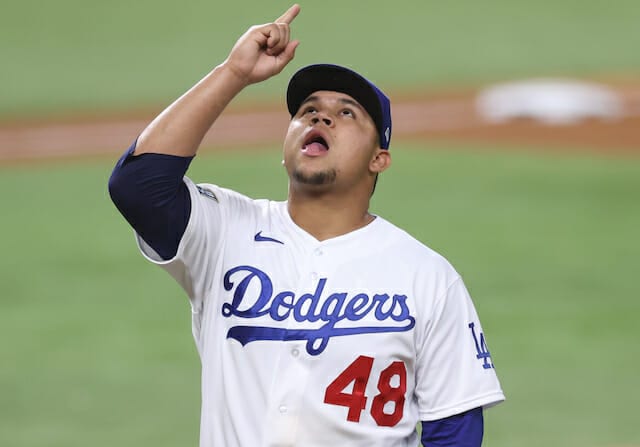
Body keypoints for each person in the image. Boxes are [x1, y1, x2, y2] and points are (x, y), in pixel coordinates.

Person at [108, 4, 504, 446]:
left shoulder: (427, 277)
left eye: (347, 113)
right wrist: (234, 72)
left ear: (379, 159)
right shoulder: (224, 231)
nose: (320, 117)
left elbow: (455, 430)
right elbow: (136, 186)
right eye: (307, 111)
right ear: (285, 149)